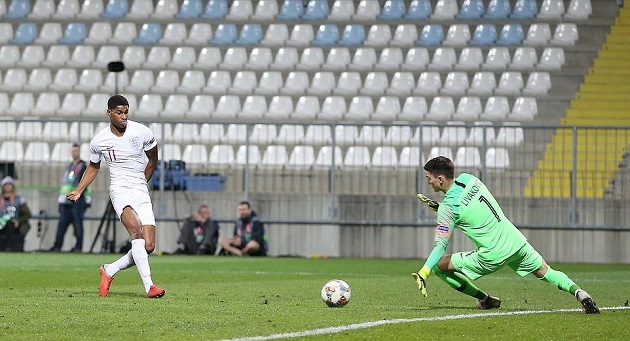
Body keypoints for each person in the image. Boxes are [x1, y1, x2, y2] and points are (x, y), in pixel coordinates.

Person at [412, 156, 600, 314]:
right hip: (514, 241)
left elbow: (441, 245)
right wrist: (440, 209)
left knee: (439, 266)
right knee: (545, 271)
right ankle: (580, 293)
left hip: (492, 254)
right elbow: (472, 210)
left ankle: (485, 300)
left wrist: (424, 271)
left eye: (429, 178)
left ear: (440, 179)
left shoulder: (448, 208)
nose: (428, 181)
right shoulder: (470, 179)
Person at [66, 94, 165, 298]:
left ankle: (109, 270)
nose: (123, 116)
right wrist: (79, 189)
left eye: (126, 112)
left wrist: (141, 183)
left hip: (140, 189)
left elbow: (153, 159)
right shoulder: (100, 140)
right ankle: (150, 286)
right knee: (135, 231)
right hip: (119, 190)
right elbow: (93, 167)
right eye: (119, 112)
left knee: (148, 246)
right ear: (109, 112)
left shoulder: (143, 132)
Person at [49, 143, 90, 252]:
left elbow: (84, 184)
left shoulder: (83, 166)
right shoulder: (70, 166)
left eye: (76, 151)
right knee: (62, 225)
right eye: (72, 151)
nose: (74, 153)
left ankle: (78, 247)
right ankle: (57, 246)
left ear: (79, 152)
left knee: (77, 225)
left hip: (77, 200)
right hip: (67, 200)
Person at [0, 176, 32, 252]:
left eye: (9, 185)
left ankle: (13, 248)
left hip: (15, 223)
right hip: (1, 223)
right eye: (6, 185)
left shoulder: (19, 199)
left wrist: (18, 220)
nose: (7, 187)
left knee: (12, 226)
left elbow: (28, 214)